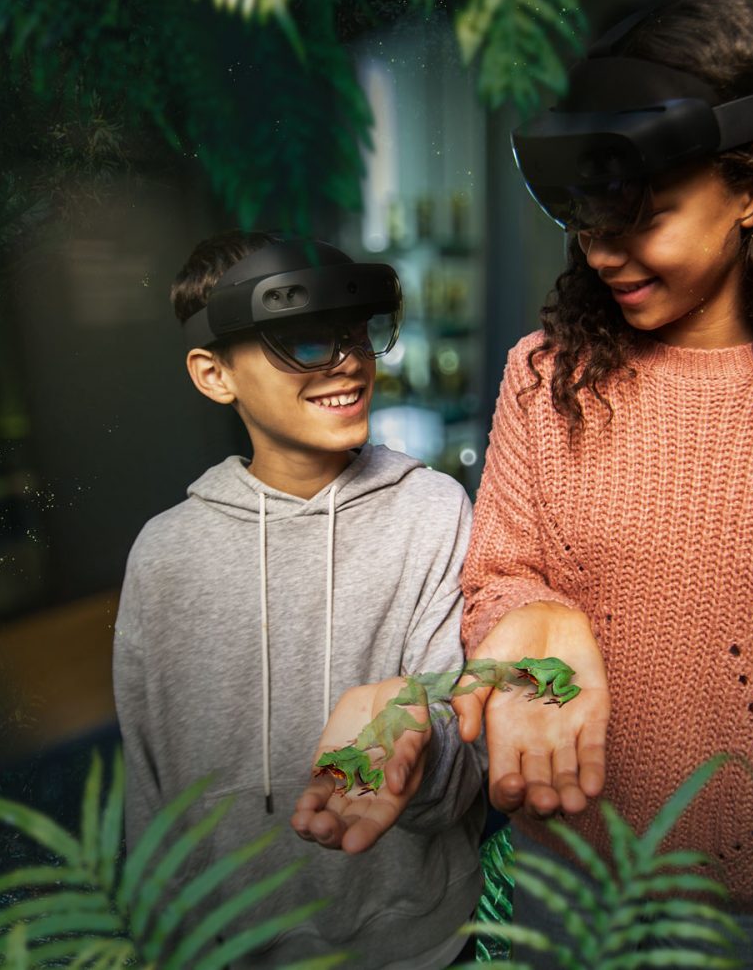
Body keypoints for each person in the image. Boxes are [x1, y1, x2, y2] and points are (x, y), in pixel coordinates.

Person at [451, 0, 753, 970]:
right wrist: (535, 613)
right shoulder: (542, 377)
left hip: (745, 906)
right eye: (584, 220)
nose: (602, 252)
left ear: (752, 186)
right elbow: (494, 575)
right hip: (554, 882)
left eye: (646, 217)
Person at [112, 231, 486, 969]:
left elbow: (458, 765)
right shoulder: (164, 557)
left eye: (357, 332)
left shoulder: (433, 512)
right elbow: (148, 797)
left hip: (418, 944)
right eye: (301, 342)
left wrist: (411, 743)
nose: (347, 359)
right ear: (214, 372)